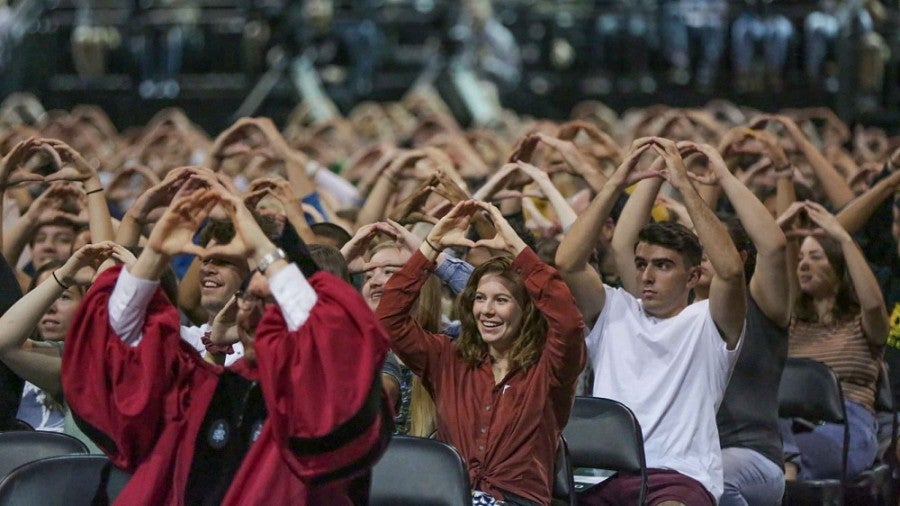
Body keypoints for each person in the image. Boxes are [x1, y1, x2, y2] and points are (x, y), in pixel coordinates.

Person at [61, 186, 392, 504]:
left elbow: (329, 340)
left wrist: (265, 252)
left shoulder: (321, 400)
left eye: (271, 300)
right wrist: (155, 254)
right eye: (248, 299)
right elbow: (114, 347)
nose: (255, 313)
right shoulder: (195, 391)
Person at [557, 138, 747, 504]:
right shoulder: (614, 310)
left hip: (678, 478)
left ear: (693, 277)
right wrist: (615, 183)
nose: (646, 276)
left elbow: (731, 271)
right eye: (642, 264)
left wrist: (685, 186)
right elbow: (568, 262)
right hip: (604, 476)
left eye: (663, 266)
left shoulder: (708, 321)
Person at [377, 200, 586, 505]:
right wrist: (430, 246)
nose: (486, 310)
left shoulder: (550, 367)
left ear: (526, 310)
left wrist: (518, 250)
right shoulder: (447, 358)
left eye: (501, 300)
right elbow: (388, 319)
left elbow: (568, 323)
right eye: (479, 298)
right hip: (450, 497)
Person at [617, 139, 790, 504]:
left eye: (714, 245)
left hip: (749, 455)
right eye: (699, 247)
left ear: (740, 257)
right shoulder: (672, 306)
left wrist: (722, 176)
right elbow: (623, 245)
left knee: (712, 481)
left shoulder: (760, 302)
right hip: (682, 457)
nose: (705, 253)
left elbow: (774, 246)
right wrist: (656, 171)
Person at [778, 200, 888, 480]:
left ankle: (787, 476)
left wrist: (843, 238)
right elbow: (748, 280)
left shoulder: (862, 323)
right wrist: (776, 233)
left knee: (780, 453)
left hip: (849, 425)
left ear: (840, 268)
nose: (804, 264)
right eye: (801, 258)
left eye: (816, 257)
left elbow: (874, 304)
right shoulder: (792, 322)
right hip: (789, 423)